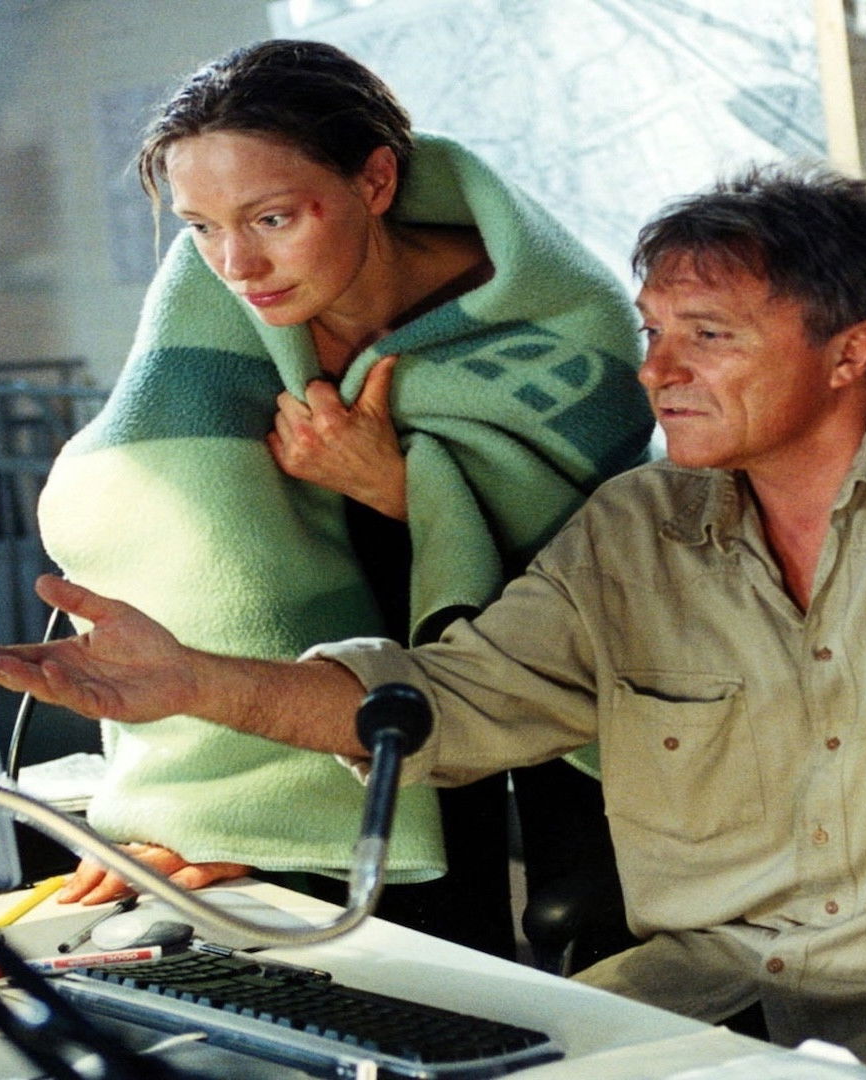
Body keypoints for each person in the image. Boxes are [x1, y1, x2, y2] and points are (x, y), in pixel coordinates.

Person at [0, 164, 866, 1079]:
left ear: (850, 349)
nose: (657, 371)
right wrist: (192, 682)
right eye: (653, 333)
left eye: (707, 334)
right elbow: (452, 701)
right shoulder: (637, 527)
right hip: (689, 1011)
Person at [32, 39, 651, 953]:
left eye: (273, 218)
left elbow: (600, 549)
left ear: (377, 180)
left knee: (579, 934)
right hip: (324, 695)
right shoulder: (215, 298)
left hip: (538, 659)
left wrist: (402, 491)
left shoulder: (556, 316)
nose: (236, 263)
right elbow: (169, 519)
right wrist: (214, 801)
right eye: (200, 225)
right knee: (379, 962)